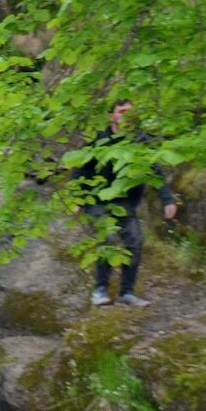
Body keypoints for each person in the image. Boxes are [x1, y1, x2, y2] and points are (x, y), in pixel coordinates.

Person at [78, 98, 178, 307]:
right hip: (96, 198)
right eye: (122, 112)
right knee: (108, 238)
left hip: (124, 201)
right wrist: (76, 198)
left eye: (130, 113)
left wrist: (167, 199)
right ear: (111, 115)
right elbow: (80, 169)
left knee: (135, 241)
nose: (126, 117)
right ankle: (100, 289)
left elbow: (155, 170)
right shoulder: (99, 139)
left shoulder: (139, 140)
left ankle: (127, 292)